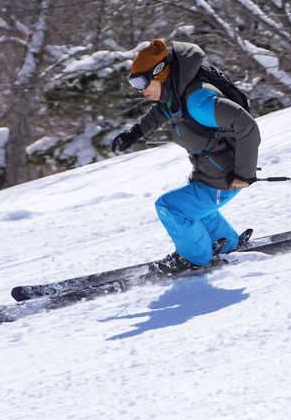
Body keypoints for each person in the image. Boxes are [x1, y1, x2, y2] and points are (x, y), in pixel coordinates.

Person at [111, 39, 261, 274]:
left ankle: (196, 258)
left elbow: (247, 126)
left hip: (226, 176)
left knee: (170, 207)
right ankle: (228, 244)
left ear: (159, 74)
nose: (139, 89)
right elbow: (162, 110)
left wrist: (244, 173)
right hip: (210, 172)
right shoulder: (177, 94)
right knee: (195, 207)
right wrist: (135, 133)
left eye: (141, 81)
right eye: (133, 82)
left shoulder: (198, 101)